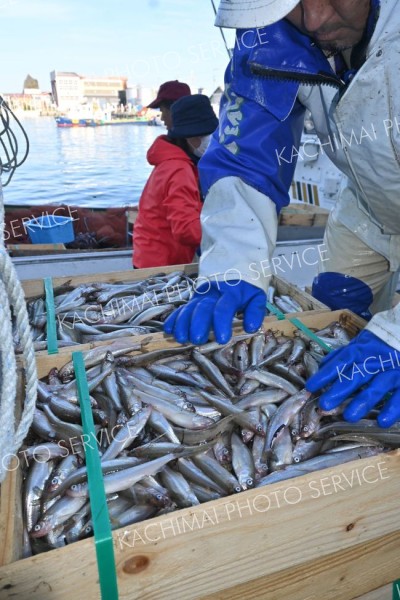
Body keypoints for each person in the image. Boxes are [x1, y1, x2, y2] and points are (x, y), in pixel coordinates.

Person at [164, 0, 400, 428]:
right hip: (370, 211)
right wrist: (232, 265)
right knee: (334, 317)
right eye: (289, 4)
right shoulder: (269, 32)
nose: (314, 21)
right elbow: (246, 157)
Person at [133, 94, 219, 269]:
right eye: (205, 135)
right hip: (160, 267)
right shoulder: (179, 170)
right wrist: (226, 228)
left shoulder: (172, 161)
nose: (211, 140)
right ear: (188, 137)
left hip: (150, 257)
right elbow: (186, 229)